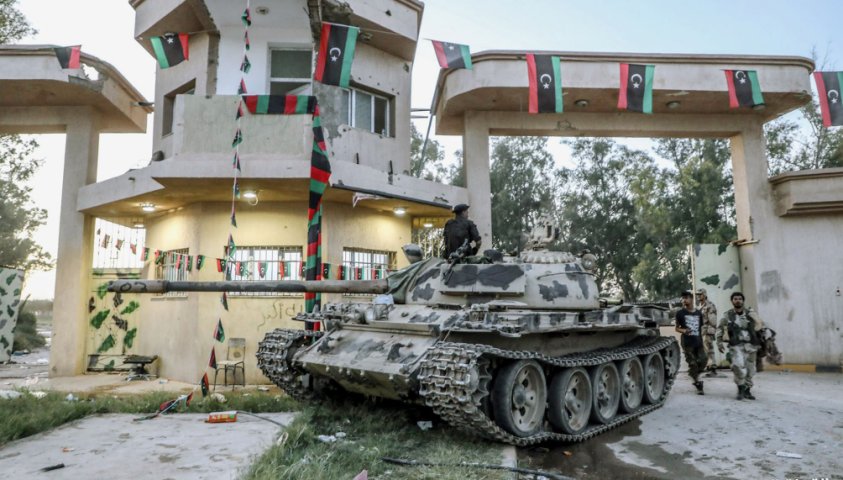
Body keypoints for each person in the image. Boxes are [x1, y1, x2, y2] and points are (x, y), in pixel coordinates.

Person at [716, 291, 764, 400]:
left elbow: (760, 326)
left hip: (751, 345)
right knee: (738, 366)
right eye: (735, 299)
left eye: (740, 299)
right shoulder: (728, 315)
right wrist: (719, 342)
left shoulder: (751, 314)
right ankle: (740, 389)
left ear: (743, 301)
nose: (738, 300)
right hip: (736, 345)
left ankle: (747, 390)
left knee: (750, 369)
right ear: (732, 301)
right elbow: (720, 328)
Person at [675, 290, 707, 395]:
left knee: (703, 360)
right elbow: (677, 328)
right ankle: (698, 383)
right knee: (693, 363)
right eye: (683, 298)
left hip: (698, 341)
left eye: (686, 298)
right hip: (687, 342)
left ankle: (694, 374)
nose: (684, 300)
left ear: (691, 299)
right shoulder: (680, 313)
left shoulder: (698, 313)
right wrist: (684, 330)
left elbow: (701, 327)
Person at [696, 288, 719, 377]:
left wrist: (711, 331)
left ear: (705, 295)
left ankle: (711, 368)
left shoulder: (709, 305)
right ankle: (710, 367)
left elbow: (712, 320)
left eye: (700, 294)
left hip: (707, 330)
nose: (698, 296)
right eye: (697, 294)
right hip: (701, 331)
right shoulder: (699, 306)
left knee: (708, 350)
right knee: (706, 350)